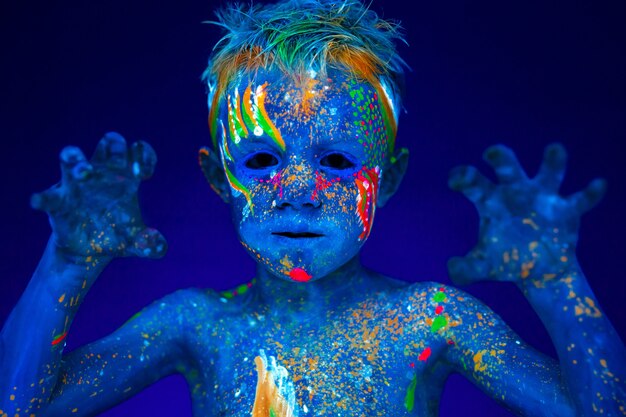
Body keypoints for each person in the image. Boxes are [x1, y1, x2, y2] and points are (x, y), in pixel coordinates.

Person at [1, 0, 624, 416]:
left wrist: (555, 281)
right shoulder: (195, 325)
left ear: (389, 179)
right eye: (262, 161)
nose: (299, 187)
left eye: (335, 161)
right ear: (218, 177)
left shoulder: (430, 320)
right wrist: (68, 263)